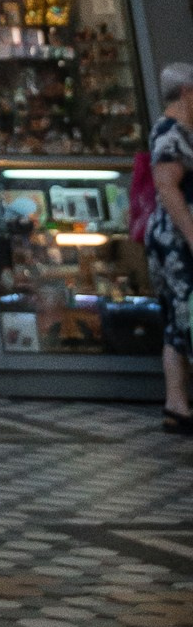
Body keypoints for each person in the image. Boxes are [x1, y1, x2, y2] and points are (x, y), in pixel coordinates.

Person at [144, 59, 193, 429]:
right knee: (184, 313)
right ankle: (177, 403)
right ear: (186, 92)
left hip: (177, 238)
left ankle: (177, 404)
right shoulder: (170, 133)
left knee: (179, 319)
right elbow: (167, 186)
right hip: (176, 241)